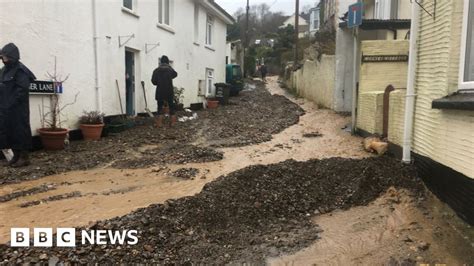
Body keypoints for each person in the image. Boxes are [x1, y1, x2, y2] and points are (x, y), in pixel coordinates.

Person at [0, 43, 36, 167]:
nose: (4, 59)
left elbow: (22, 90)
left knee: (20, 131)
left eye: (5, 57)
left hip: (18, 108)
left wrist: (10, 103)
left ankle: (24, 157)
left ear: (12, 56)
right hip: (6, 108)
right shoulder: (4, 70)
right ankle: (16, 156)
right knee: (9, 131)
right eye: (2, 57)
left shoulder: (21, 70)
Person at [151, 55, 178, 127]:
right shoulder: (170, 70)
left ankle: (159, 124)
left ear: (160, 62)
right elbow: (175, 74)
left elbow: (153, 82)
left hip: (160, 91)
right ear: (168, 62)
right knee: (171, 107)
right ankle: (172, 123)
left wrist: (159, 82)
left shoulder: (156, 70)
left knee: (159, 107)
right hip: (169, 91)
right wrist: (169, 67)